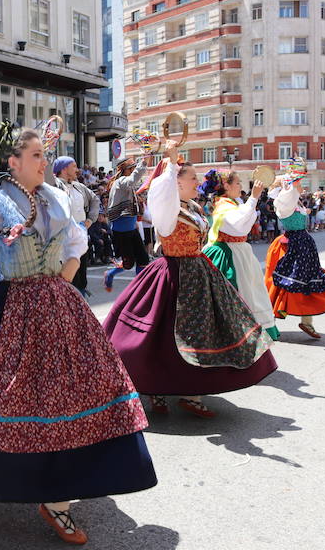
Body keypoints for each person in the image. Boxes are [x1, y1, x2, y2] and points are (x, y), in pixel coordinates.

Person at [0, 95, 156, 545]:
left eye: (45, 155)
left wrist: (61, 285)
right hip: (11, 308)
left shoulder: (57, 198)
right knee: (9, 400)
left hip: (60, 307)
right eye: (37, 155)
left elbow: (74, 246)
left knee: (74, 398)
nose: (44, 162)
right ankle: (26, 484)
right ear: (14, 161)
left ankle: (59, 497)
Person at [102, 142, 276, 418]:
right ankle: (154, 389)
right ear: (177, 184)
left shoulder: (191, 205)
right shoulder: (167, 208)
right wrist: (170, 164)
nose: (198, 182)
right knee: (159, 335)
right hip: (172, 273)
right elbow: (161, 191)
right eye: (192, 178)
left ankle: (189, 393)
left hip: (199, 270)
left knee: (201, 333)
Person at [264, 159, 325, 339]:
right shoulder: (284, 202)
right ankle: (268, 321)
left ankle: (306, 321)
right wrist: (292, 176)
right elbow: (290, 192)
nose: (301, 185)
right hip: (291, 246)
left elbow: (293, 195)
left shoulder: (293, 202)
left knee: (307, 282)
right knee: (283, 284)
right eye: (298, 183)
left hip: (303, 245)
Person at [199, 170, 279, 341]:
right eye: (237, 183)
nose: (240, 186)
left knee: (250, 291)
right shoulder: (223, 205)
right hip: (229, 253)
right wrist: (253, 198)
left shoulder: (230, 202)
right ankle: (238, 337)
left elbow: (245, 224)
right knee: (240, 294)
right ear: (226, 186)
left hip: (238, 251)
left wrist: (252, 199)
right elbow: (239, 226)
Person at [50, 155, 99, 296]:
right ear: (64, 168)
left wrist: (90, 219)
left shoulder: (79, 186)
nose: (77, 170)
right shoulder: (55, 185)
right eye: (74, 166)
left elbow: (95, 200)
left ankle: (80, 305)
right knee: (67, 277)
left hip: (81, 237)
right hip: (62, 241)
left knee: (81, 278)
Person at [106, 154, 150, 275]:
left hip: (130, 226)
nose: (133, 171)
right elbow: (132, 180)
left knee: (143, 259)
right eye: (132, 168)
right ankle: (110, 274)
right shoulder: (121, 182)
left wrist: (134, 221)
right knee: (128, 263)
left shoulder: (124, 184)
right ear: (125, 170)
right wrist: (144, 163)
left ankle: (139, 287)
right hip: (122, 228)